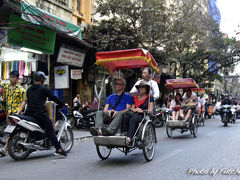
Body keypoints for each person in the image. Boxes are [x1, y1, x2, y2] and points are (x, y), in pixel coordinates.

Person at [24, 71, 69, 156]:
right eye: (44, 79)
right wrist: (63, 104)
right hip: (39, 114)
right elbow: (54, 98)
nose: (44, 80)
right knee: (50, 129)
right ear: (41, 79)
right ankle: (59, 149)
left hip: (29, 113)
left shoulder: (29, 89)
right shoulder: (44, 89)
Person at [0, 71, 26, 157]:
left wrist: (18, 112)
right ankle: (14, 146)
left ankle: (5, 148)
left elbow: (24, 101)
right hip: (9, 113)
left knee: (11, 130)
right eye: (10, 77)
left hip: (17, 114)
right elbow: (4, 99)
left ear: (17, 78)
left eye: (13, 77)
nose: (11, 79)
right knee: (11, 130)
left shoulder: (21, 89)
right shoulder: (6, 87)